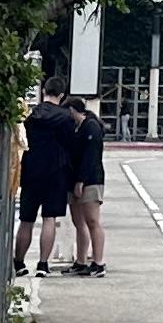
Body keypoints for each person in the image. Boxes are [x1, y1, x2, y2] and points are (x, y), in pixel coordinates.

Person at [18, 93, 79, 277]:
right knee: (49, 219)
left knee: (26, 220)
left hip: (31, 170)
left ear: (44, 91)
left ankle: (18, 261)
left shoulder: (31, 115)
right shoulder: (65, 117)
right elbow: (71, 145)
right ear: (61, 95)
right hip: (56, 172)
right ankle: (43, 264)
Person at [67, 95, 110, 277]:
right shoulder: (76, 128)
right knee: (79, 222)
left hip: (90, 179)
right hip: (75, 178)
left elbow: (90, 157)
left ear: (72, 110)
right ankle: (81, 260)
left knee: (92, 220)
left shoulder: (91, 127)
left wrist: (81, 181)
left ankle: (98, 261)